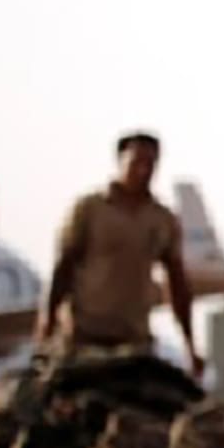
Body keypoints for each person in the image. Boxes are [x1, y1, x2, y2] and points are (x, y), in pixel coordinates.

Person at [36, 131, 203, 375]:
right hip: (85, 336)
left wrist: (190, 344)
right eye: (137, 162)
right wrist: (48, 320)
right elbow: (64, 266)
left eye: (150, 163)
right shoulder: (90, 210)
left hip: (134, 338)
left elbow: (177, 283)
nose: (143, 170)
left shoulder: (162, 220)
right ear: (121, 161)